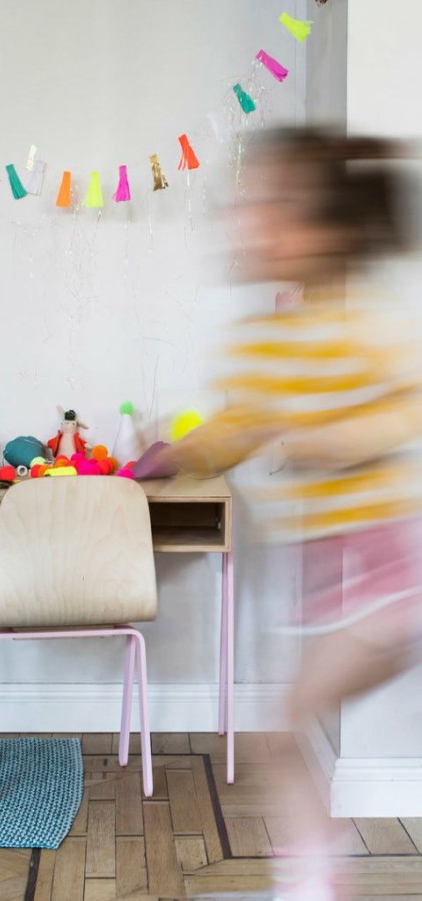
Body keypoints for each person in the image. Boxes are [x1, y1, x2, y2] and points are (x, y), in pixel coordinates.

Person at [159, 127, 422, 901]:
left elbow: (409, 405)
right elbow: (236, 428)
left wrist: (336, 437)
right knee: (282, 730)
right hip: (334, 582)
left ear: (332, 232)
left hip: (390, 575)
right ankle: (310, 880)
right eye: (251, 202)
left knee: (286, 723)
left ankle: (311, 883)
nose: (253, 219)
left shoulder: (367, 327)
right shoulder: (258, 345)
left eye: (279, 206)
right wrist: (170, 454)